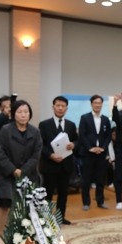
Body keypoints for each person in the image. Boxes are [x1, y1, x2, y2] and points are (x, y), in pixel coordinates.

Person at [0, 100, 42, 235]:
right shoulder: (5, 130)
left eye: (26, 112)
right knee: (4, 205)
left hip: (28, 175)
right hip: (6, 174)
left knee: (27, 207)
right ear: (13, 114)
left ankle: (25, 235)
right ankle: (0, 236)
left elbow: (36, 155)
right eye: (19, 112)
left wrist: (23, 171)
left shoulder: (35, 131)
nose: (23, 115)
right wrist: (13, 170)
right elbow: (0, 153)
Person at [38, 96, 78, 225]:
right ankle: (46, 218)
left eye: (63, 106)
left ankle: (60, 217)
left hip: (66, 166)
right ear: (53, 107)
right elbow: (40, 145)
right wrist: (50, 155)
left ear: (66, 108)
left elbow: (77, 140)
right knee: (48, 193)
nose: (60, 108)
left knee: (63, 193)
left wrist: (74, 145)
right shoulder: (44, 125)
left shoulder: (71, 125)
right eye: (58, 105)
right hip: (50, 165)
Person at [79, 94, 112, 211]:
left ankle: (100, 201)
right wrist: (90, 148)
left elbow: (108, 136)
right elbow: (82, 135)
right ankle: (86, 202)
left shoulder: (105, 119)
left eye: (99, 103)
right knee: (86, 179)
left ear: (102, 105)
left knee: (100, 179)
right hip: (88, 153)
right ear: (91, 104)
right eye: (95, 103)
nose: (97, 105)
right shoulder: (85, 118)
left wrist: (103, 148)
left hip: (101, 154)